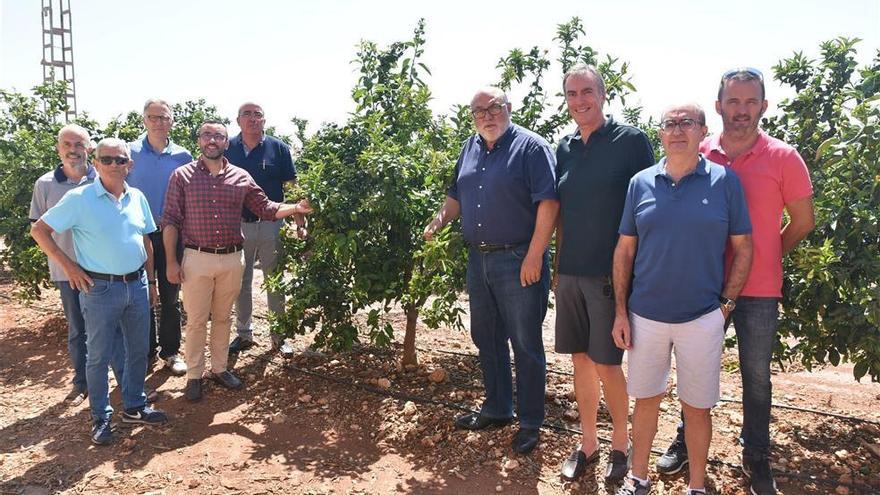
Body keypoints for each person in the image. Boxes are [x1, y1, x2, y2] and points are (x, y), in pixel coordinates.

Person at [657, 68, 814, 495]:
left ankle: (756, 456)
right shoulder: (700, 150)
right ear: (718, 106)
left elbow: (803, 221)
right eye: (733, 101)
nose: (741, 110)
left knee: (756, 374)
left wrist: (768, 255)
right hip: (704, 286)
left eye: (750, 102)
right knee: (693, 368)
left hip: (759, 290)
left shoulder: (784, 157)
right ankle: (685, 442)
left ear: (763, 106)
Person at [611, 104, 752, 495]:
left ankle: (696, 486)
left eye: (686, 123)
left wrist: (726, 306)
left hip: (702, 317)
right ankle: (637, 478)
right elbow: (624, 251)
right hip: (646, 317)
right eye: (670, 124)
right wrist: (621, 311)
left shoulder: (725, 182)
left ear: (703, 130)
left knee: (697, 407)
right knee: (646, 399)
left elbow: (743, 247)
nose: (677, 131)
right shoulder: (640, 183)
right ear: (660, 133)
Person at [423, 87, 559, 454]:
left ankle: (531, 422)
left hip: (518, 259)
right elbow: (455, 197)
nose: (487, 115)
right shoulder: (469, 147)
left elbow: (549, 203)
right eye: (479, 110)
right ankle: (498, 408)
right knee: (487, 337)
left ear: (508, 108)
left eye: (494, 107)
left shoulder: (531, 148)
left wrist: (535, 255)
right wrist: (438, 221)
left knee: (525, 343)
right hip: (478, 258)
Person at [162, 121, 312, 402]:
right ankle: (194, 375)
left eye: (218, 136)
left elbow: (265, 208)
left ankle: (219, 369)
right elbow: (170, 220)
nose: (212, 140)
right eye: (207, 135)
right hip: (197, 257)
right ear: (199, 141)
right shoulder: (181, 176)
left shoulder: (241, 177)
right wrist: (172, 261)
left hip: (232, 258)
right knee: (195, 321)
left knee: (222, 317)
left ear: (226, 142)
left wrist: (295, 208)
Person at [554, 65, 655, 481]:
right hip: (570, 274)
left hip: (608, 276)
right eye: (572, 94)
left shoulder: (631, 142)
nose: (580, 100)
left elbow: (648, 209)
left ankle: (620, 445)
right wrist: (556, 270)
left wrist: (633, 281)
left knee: (608, 364)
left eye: (587, 92)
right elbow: (559, 213)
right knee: (579, 361)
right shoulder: (563, 148)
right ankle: (588, 443)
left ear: (603, 93)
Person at [31, 138, 168, 445]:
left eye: (120, 160)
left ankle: (134, 405)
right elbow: (39, 230)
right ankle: (101, 417)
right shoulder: (80, 198)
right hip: (100, 288)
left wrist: (152, 283)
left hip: (136, 284)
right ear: (95, 163)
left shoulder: (138, 197)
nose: (114, 165)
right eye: (106, 160)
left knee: (138, 351)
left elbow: (146, 241)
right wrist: (70, 267)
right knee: (99, 356)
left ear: (129, 165)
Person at [29, 124, 123, 405]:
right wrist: (67, 266)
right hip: (66, 271)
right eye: (67, 145)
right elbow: (38, 229)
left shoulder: (105, 177)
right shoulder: (45, 184)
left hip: (104, 269)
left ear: (89, 149)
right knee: (78, 329)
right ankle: (81, 383)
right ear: (59, 149)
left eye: (79, 145)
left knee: (114, 327)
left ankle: (123, 382)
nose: (73, 150)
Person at [225, 102, 301, 358]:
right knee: (240, 281)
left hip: (271, 224)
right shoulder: (228, 148)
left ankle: (280, 337)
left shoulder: (278, 148)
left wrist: (300, 221)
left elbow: (291, 187)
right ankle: (244, 334)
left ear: (264, 121)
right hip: (238, 225)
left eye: (257, 115)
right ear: (238, 121)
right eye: (247, 114)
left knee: (275, 281)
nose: (252, 119)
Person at [128, 98, 193, 375]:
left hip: (170, 234)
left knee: (170, 295)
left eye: (163, 117)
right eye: (152, 117)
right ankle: (145, 353)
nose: (158, 122)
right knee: (141, 296)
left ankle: (170, 351)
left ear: (171, 122)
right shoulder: (128, 152)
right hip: (135, 235)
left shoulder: (183, 156)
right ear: (144, 119)